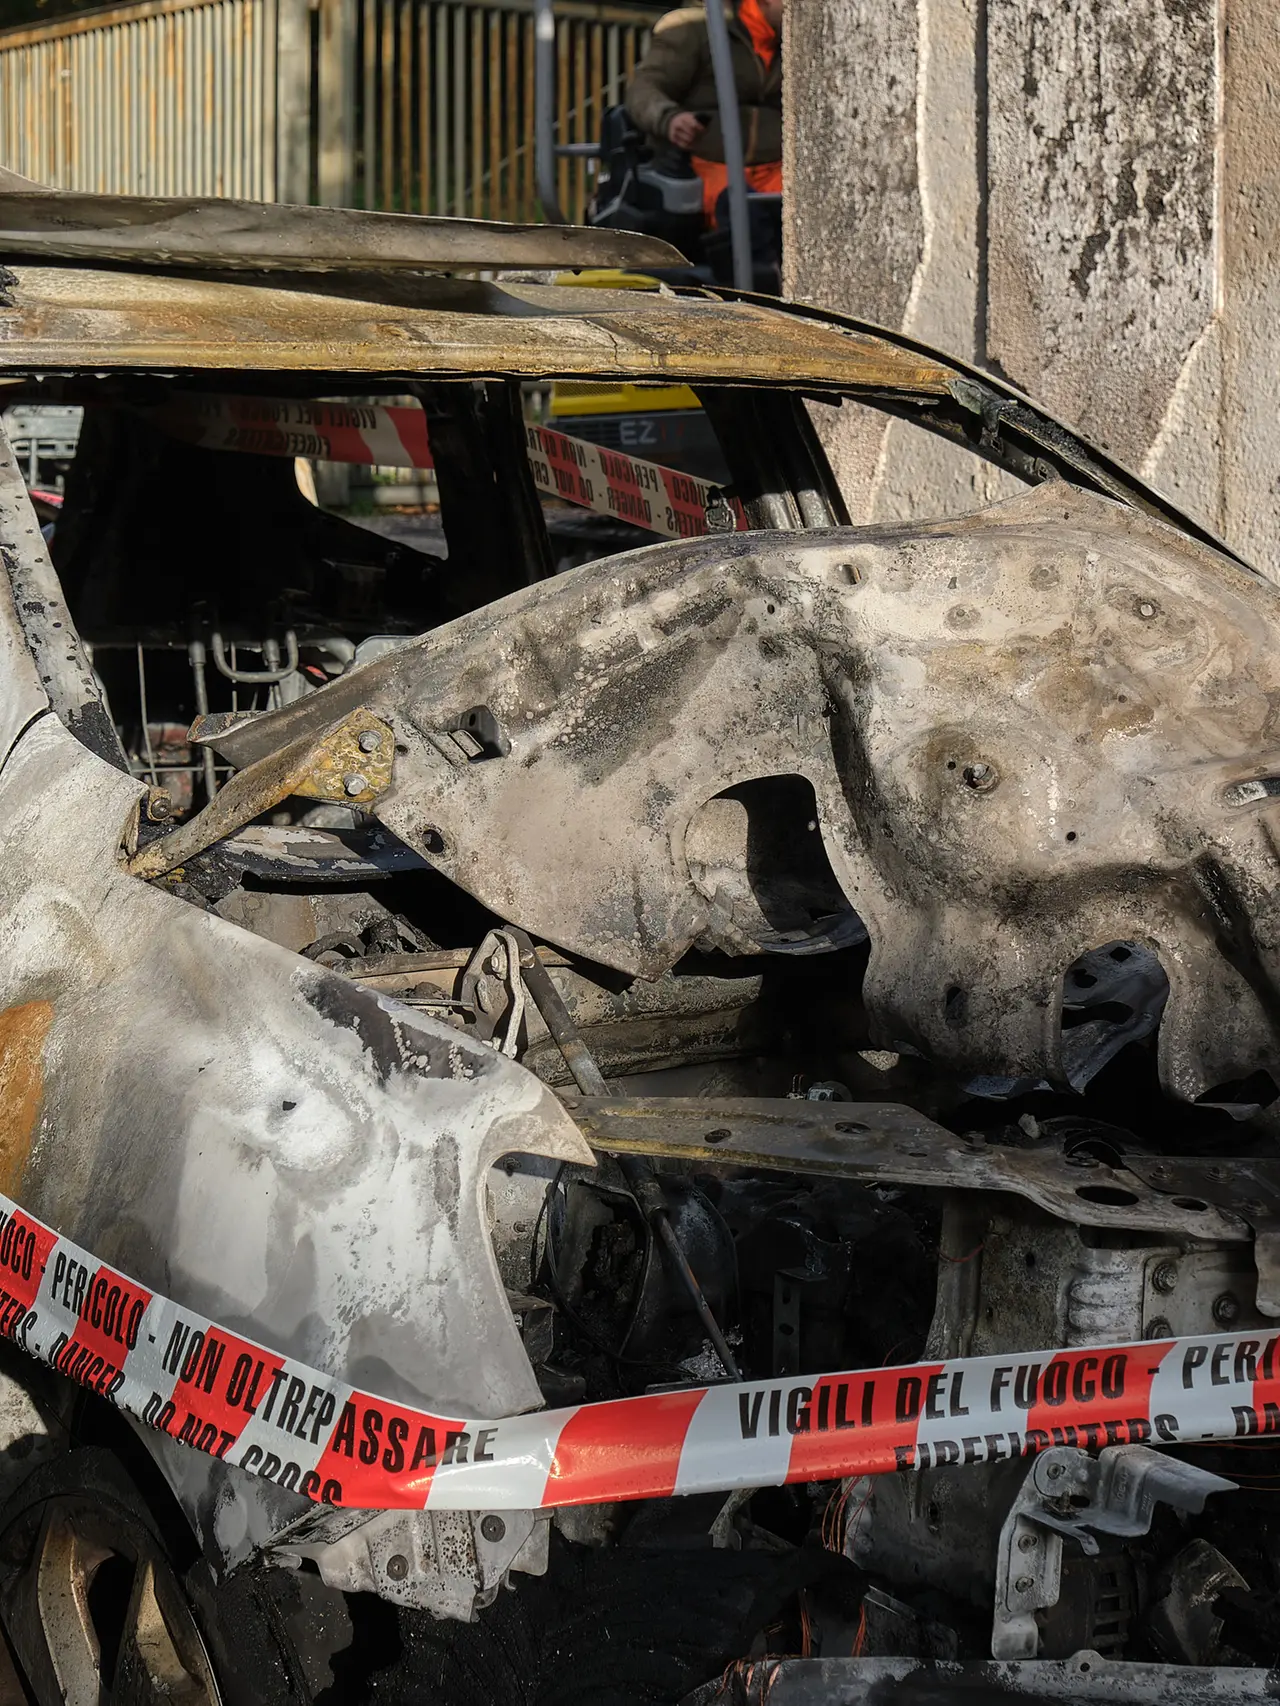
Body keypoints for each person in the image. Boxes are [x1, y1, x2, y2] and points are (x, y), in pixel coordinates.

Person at [624, 0, 782, 225]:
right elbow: (644, 89)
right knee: (741, 213)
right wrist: (669, 119)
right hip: (706, 163)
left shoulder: (796, 43)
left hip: (776, 167)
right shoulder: (693, 30)